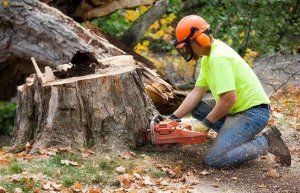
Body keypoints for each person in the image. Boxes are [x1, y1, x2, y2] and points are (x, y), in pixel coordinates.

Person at [170, 15, 291, 169]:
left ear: (200, 39)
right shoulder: (208, 56)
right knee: (198, 107)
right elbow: (196, 93)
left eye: (187, 45)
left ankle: (267, 141)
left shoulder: (218, 58)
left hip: (253, 113)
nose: (186, 50)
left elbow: (229, 98)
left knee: (214, 161)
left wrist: (207, 123)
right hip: (237, 110)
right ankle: (236, 139)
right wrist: (173, 118)